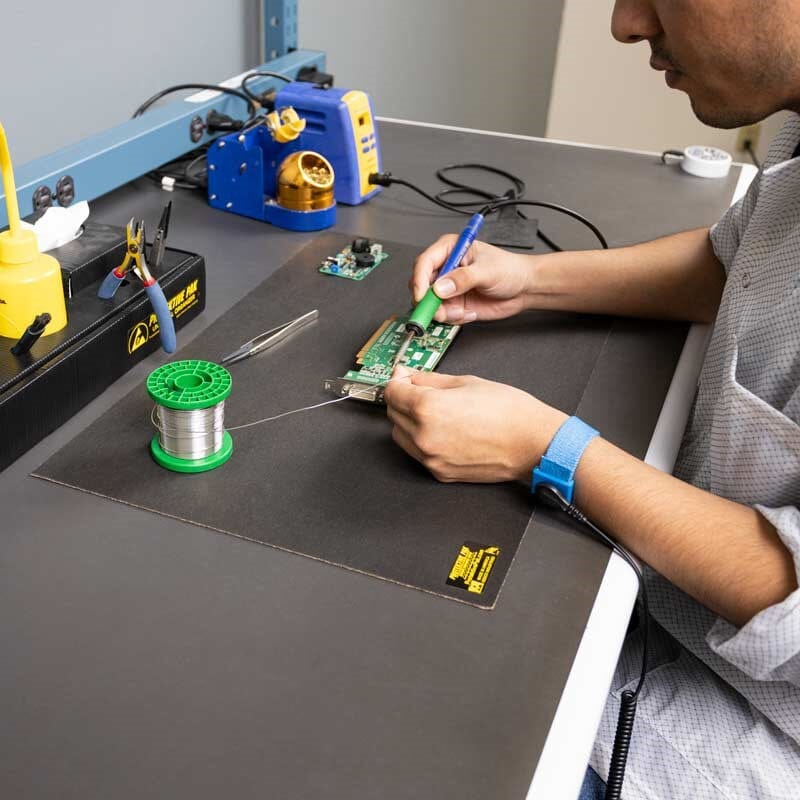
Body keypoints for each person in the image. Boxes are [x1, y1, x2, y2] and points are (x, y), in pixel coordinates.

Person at [383, 2, 800, 798]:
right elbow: (739, 263)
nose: (625, 23)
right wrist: (529, 279)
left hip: (748, 728)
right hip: (674, 610)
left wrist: (545, 447)